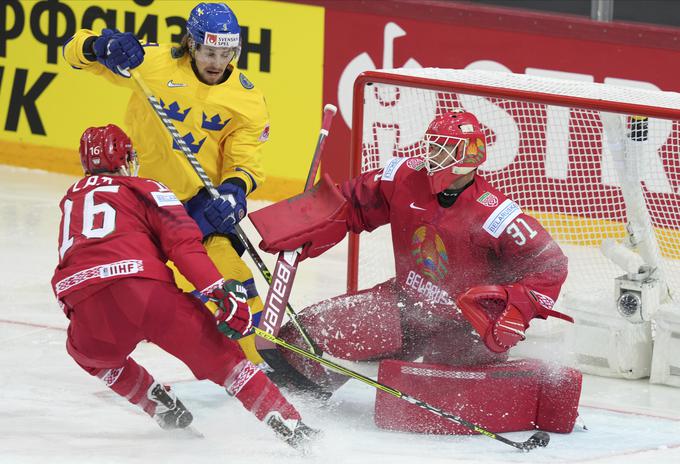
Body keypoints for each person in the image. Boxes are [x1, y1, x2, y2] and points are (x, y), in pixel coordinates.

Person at [249, 111, 581, 433]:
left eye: (443, 148)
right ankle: (300, 397)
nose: (432, 155)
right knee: (305, 334)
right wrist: (303, 221)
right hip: (405, 302)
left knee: (421, 405)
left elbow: (550, 265)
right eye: (432, 146)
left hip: (464, 331)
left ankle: (517, 383)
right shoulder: (404, 176)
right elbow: (350, 201)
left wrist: (515, 307)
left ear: (469, 155)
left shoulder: (497, 215)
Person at [51, 124, 316, 448]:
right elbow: (184, 246)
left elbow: (75, 266)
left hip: (88, 307)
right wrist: (219, 290)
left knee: (92, 357)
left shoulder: (70, 201)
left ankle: (160, 406)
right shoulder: (145, 188)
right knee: (228, 362)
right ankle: (290, 425)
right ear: (127, 158)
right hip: (147, 295)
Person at [63, 2, 269, 365]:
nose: (216, 62)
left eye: (225, 53)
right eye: (208, 51)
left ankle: (256, 367)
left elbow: (245, 161)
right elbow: (72, 52)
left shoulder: (248, 100)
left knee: (235, 280)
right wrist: (99, 46)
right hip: (137, 205)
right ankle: (106, 357)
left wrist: (234, 194)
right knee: (131, 290)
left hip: (195, 207)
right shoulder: (152, 64)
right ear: (191, 44)